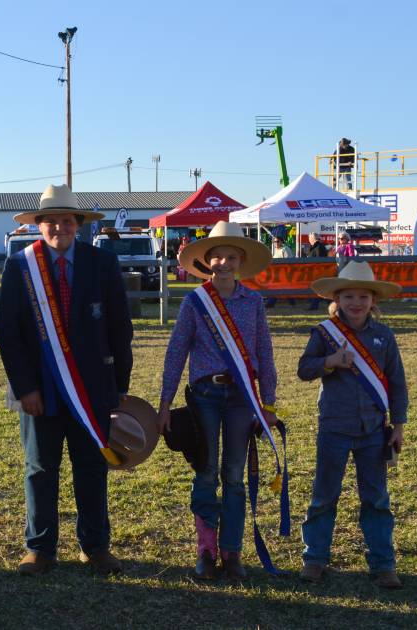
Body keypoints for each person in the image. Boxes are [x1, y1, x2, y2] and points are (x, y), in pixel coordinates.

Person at [0, 185, 133, 577]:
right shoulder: (20, 266)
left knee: (91, 466)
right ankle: (39, 547)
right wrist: (25, 389)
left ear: (79, 224)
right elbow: (8, 332)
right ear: (39, 226)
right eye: (51, 220)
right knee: (40, 468)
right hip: (39, 389)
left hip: (92, 388)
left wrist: (118, 386)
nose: (60, 226)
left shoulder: (102, 263)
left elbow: (119, 328)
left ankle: (96, 546)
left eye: (67, 220)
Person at [156, 220, 280, 581]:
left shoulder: (253, 301)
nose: (224, 263)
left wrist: (268, 404)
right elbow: (176, 353)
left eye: (231, 257)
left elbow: (264, 354)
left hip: (242, 397)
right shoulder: (195, 302)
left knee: (235, 476)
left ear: (241, 261)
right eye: (217, 257)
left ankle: (233, 552)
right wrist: (164, 404)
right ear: (207, 261)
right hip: (206, 395)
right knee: (206, 472)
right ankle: (206, 552)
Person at [297, 261, 407, 589]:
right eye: (348, 296)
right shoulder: (323, 332)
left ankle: (383, 564)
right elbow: (304, 369)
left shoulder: (384, 337)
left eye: (363, 296)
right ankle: (314, 559)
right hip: (333, 427)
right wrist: (329, 362)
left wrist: (398, 425)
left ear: (374, 301)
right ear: (337, 299)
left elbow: (397, 384)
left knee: (375, 499)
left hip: (374, 430)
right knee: (323, 497)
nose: (356, 303)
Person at [265, 236, 295, 308]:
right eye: (274, 242)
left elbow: (289, 261)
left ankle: (271, 303)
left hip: (284, 273)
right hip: (277, 273)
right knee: (285, 289)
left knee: (277, 288)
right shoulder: (276, 250)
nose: (276, 243)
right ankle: (292, 302)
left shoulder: (285, 249)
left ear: (282, 242)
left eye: (277, 241)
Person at [304, 234, 330, 311]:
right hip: (316, 271)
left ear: (312, 239)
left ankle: (315, 305)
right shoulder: (317, 246)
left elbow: (320, 260)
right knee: (320, 289)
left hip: (318, 271)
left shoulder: (318, 246)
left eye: (309, 239)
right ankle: (318, 304)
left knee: (318, 288)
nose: (308, 240)